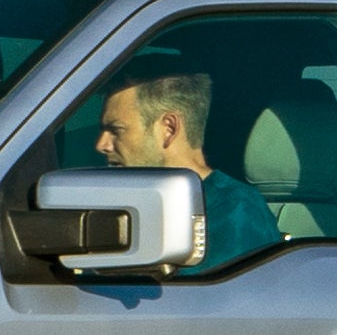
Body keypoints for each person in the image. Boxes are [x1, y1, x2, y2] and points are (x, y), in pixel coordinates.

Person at [89, 61, 282, 273]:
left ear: (168, 129)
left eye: (116, 130)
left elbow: (218, 302)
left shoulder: (236, 214)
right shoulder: (134, 205)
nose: (101, 145)